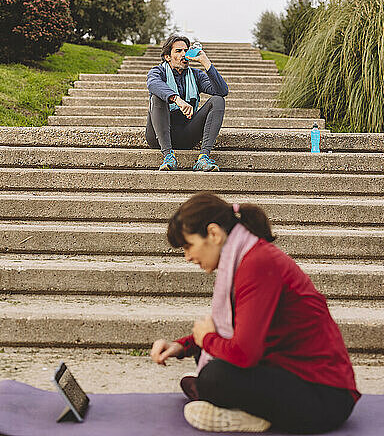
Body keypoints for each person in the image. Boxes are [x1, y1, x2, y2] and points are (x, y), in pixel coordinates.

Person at [150, 192, 361, 434]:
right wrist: (183, 346)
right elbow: (236, 330)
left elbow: (244, 354)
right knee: (210, 361)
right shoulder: (248, 257)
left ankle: (241, 411)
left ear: (213, 234)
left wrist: (206, 339)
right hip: (294, 376)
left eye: (189, 246)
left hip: (325, 398)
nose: (188, 257)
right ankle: (220, 398)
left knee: (214, 376)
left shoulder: (257, 263)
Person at [145, 36, 228, 171]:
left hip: (186, 134)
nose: (184, 54)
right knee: (157, 97)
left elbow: (222, 91)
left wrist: (206, 62)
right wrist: (176, 99)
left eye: (186, 50)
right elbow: (154, 84)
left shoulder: (196, 75)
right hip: (157, 136)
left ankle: (203, 158)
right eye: (178, 51)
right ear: (167, 57)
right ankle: (167, 156)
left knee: (218, 100)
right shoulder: (158, 72)